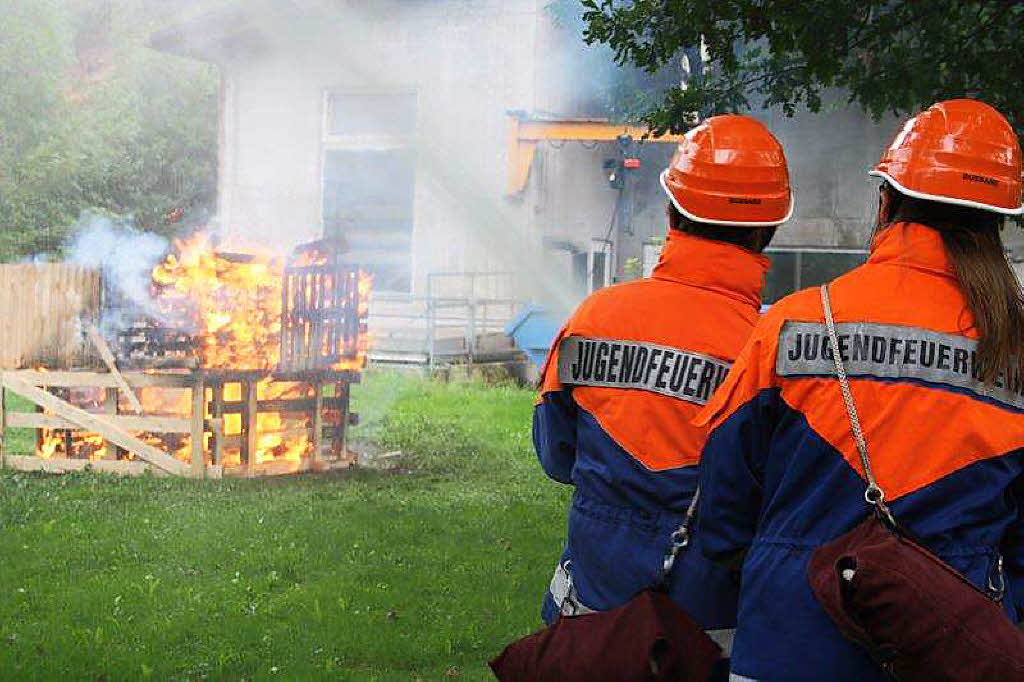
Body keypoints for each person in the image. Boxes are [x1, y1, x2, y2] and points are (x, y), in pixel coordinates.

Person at [695, 99, 1024, 682]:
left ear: (886, 200)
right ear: (997, 223)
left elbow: (724, 505)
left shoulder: (793, 324)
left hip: (785, 645)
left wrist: (778, 570)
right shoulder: (1015, 352)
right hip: (949, 654)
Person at [533, 114, 793, 670]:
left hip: (587, 625)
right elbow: (779, 501)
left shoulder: (596, 315)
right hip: (706, 635)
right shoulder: (771, 349)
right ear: (768, 229)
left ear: (672, 210)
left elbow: (555, 455)